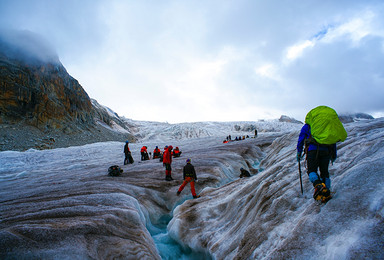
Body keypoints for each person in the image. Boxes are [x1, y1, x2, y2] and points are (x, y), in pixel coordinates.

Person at [296, 106, 347, 202]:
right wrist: (333, 155)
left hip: (312, 151)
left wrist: (299, 152)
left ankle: (318, 186)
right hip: (326, 151)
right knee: (324, 172)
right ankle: (326, 192)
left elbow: (301, 139)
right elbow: (332, 141)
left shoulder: (308, 126)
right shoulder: (328, 128)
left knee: (311, 170)